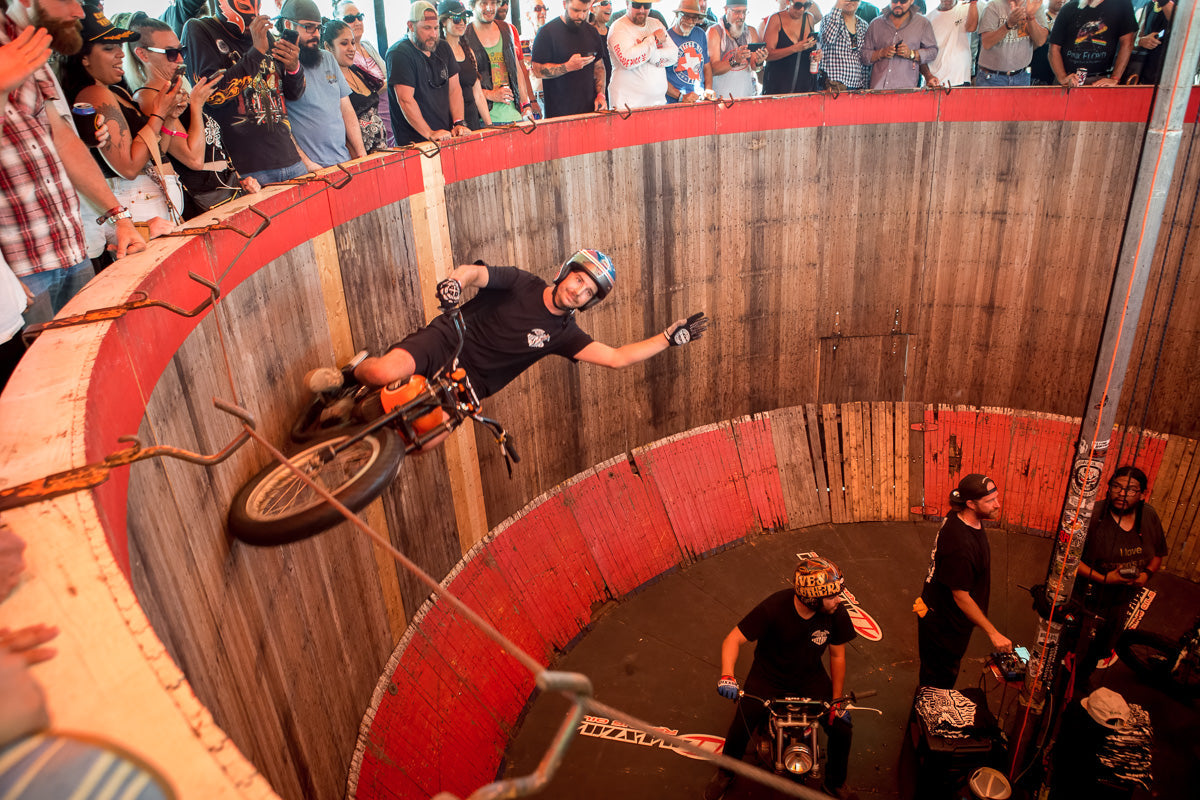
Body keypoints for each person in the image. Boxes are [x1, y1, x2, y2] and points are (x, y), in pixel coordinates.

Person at [353, 250, 709, 400]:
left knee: (423, 441)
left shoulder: (564, 335)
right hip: (449, 339)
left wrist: (668, 338)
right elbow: (476, 273)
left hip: (474, 384)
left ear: (590, 302)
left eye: (587, 291)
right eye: (578, 279)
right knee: (383, 373)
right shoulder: (522, 282)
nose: (578, 290)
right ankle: (351, 373)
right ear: (565, 273)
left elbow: (616, 358)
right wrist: (455, 283)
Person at [0, 0, 146, 323]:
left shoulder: (24, 41)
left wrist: (119, 216)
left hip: (70, 250)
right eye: (69, 0)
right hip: (19, 270)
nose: (80, 13)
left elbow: (62, 139)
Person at [703, 556, 858, 800]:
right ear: (812, 598)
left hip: (810, 677)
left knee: (842, 729)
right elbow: (733, 639)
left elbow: (837, 656)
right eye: (831, 595)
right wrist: (727, 676)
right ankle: (726, 772)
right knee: (742, 721)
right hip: (768, 676)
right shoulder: (774, 607)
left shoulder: (836, 613)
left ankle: (835, 782)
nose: (838, 600)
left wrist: (836, 701)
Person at [60, 8, 183, 245]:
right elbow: (128, 167)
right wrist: (158, 113)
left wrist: (166, 117)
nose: (121, 54)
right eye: (109, 48)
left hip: (152, 209)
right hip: (140, 214)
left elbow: (157, 153)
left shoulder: (115, 92)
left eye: (119, 47)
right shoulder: (94, 94)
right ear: (83, 58)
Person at [124, 12, 255, 220]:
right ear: (143, 54)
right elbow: (193, 158)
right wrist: (196, 104)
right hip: (203, 204)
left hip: (223, 192)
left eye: (181, 51)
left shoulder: (175, 91)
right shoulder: (150, 99)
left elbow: (213, 148)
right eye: (170, 53)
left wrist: (237, 179)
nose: (180, 59)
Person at [182, 0, 309, 186]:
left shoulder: (265, 37)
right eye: (244, 6)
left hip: (289, 159)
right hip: (247, 170)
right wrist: (257, 51)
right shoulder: (199, 29)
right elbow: (213, 96)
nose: (254, 14)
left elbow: (293, 94)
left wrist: (293, 68)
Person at [1073, 466, 1167, 691]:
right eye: (1117, 486)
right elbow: (1068, 560)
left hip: (1121, 600)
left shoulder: (1149, 516)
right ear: (1109, 488)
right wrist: (1104, 579)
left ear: (1142, 493)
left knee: (1102, 646)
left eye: (1131, 489)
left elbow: (1159, 555)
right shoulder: (1092, 516)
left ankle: (1082, 678)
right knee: (1073, 642)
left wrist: (1146, 575)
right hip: (1087, 598)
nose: (1122, 493)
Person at [916, 473, 1012, 689]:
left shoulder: (962, 516)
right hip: (943, 627)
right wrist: (993, 633)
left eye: (996, 497)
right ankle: (924, 721)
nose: (997, 505)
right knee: (937, 684)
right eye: (990, 501)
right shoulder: (960, 545)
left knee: (938, 676)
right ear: (970, 503)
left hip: (947, 619)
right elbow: (960, 597)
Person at [277, 0, 366, 170]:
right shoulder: (277, 64)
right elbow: (281, 123)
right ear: (288, 25)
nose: (316, 34)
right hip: (310, 169)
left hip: (344, 161)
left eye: (318, 28)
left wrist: (361, 153)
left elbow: (346, 110)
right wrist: (308, 165)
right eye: (308, 27)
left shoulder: (327, 58)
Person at [387, 1, 471, 144]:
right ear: (411, 26)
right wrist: (429, 133)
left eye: (436, 28)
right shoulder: (399, 53)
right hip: (414, 142)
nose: (433, 34)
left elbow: (455, 89)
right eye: (426, 28)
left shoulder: (443, 47)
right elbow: (405, 100)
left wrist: (459, 122)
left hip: (445, 136)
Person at [463, 0, 536, 123]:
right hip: (483, 119)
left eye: (493, 3)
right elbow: (461, 84)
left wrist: (526, 105)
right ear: (472, 5)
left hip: (515, 116)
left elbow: (517, 70)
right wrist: (489, 94)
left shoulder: (506, 28)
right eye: (483, 3)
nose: (489, 8)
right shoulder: (465, 35)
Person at [531, 0, 608, 117]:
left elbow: (599, 68)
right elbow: (537, 71)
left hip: (590, 112)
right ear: (564, 4)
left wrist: (601, 95)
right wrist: (568, 66)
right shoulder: (547, 32)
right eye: (576, 10)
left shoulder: (592, 32)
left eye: (585, 11)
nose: (581, 16)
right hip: (559, 115)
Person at [335, 1, 395, 145]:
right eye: (349, 18)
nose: (357, 22)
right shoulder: (345, 57)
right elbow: (364, 92)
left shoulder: (367, 45)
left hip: (391, 116)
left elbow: (386, 74)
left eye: (359, 17)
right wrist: (392, 80)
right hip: (370, 123)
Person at [323, 20, 388, 152]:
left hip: (383, 151)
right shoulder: (329, 83)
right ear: (328, 47)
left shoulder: (357, 71)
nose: (351, 48)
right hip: (359, 158)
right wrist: (359, 158)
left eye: (352, 43)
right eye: (344, 43)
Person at [607, 0, 679, 108]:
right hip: (627, 107)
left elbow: (674, 55)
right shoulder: (618, 27)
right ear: (627, 3)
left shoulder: (656, 23)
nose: (642, 10)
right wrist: (653, 40)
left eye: (646, 5)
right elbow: (627, 61)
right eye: (636, 5)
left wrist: (652, 54)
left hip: (658, 104)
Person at [1047, 0, 1136, 86]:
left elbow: (1127, 44)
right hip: (1069, 79)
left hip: (1100, 80)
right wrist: (1062, 77)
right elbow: (1053, 48)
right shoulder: (1069, 7)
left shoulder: (1121, 4)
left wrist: (1115, 78)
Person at [861, 0, 937, 89]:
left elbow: (933, 52)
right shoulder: (876, 24)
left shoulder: (922, 23)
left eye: (903, 1)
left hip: (906, 92)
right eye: (895, 1)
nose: (898, 4)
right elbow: (864, 56)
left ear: (911, 1)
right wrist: (881, 53)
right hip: (878, 91)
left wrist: (911, 54)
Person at [439, 0, 492, 130]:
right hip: (450, 123)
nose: (462, 22)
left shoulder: (468, 52)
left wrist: (489, 125)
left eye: (464, 18)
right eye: (456, 18)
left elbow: (478, 94)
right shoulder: (437, 54)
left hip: (472, 119)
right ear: (443, 22)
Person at [974, 0, 1048, 86]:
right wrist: (1008, 24)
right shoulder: (993, 5)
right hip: (992, 77)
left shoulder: (1034, 4)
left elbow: (1040, 41)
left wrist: (1030, 17)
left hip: (1021, 76)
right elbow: (987, 43)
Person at [708, 0, 766, 98]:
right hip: (721, 100)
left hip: (746, 97)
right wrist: (734, 60)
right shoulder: (715, 32)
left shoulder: (751, 32)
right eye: (737, 12)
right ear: (726, 10)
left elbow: (755, 68)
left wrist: (759, 62)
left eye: (744, 12)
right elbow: (712, 69)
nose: (742, 17)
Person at [761, 0, 821, 95]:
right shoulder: (776, 19)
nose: (802, 9)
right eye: (798, 5)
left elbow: (810, 51)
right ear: (788, 2)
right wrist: (794, 48)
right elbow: (767, 55)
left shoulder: (809, 18)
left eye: (806, 5)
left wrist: (816, 55)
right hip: (778, 88)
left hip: (804, 87)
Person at [664, 0, 711, 101]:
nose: (690, 21)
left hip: (699, 99)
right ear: (677, 15)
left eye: (694, 18)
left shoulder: (701, 34)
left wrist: (708, 89)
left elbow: (707, 67)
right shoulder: (666, 38)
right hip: (674, 103)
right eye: (685, 16)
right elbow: (659, 78)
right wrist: (681, 97)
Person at [923, 0, 978, 87]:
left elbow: (971, 27)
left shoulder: (967, 8)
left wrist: (974, 3)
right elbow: (922, 54)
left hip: (960, 79)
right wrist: (928, 76)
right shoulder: (928, 19)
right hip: (936, 81)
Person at [819, 0, 871, 89]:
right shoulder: (828, 19)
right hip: (834, 85)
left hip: (857, 86)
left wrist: (864, 86)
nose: (850, 2)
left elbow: (864, 59)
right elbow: (828, 39)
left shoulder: (863, 25)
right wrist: (838, 5)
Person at [1127, 0, 1174, 85]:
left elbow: (1181, 22)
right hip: (1145, 71)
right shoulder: (1149, 4)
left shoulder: (1185, 6)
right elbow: (1135, 38)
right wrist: (1141, 41)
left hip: (1170, 73)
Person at [1029, 0, 1064, 84]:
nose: (1062, 0)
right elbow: (1035, 43)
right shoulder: (1040, 16)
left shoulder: (1066, 17)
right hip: (1039, 68)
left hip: (1058, 70)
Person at [590, 0, 614, 99]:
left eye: (610, 3)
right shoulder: (586, 33)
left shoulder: (613, 32)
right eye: (604, 3)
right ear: (592, 8)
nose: (609, 7)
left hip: (614, 92)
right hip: (595, 95)